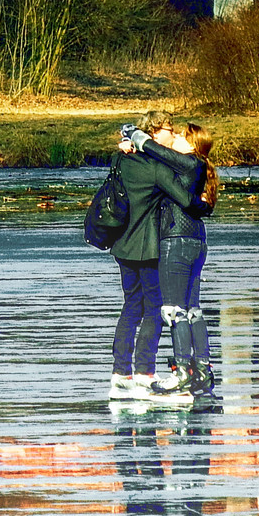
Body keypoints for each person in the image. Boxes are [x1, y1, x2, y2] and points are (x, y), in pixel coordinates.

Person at [131, 123, 218, 402]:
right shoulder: (196, 167)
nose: (177, 138)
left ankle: (182, 373)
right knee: (194, 310)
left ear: (192, 144)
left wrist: (135, 135)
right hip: (197, 242)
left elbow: (156, 151)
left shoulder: (189, 163)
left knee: (173, 310)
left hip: (177, 241)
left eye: (181, 135)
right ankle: (202, 370)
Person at [108, 111, 186, 401]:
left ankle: (120, 375)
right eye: (170, 129)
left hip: (123, 245)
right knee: (153, 308)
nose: (174, 134)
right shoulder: (156, 167)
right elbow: (185, 197)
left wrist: (124, 143)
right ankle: (144, 373)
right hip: (148, 248)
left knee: (131, 306)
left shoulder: (121, 159)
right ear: (153, 133)